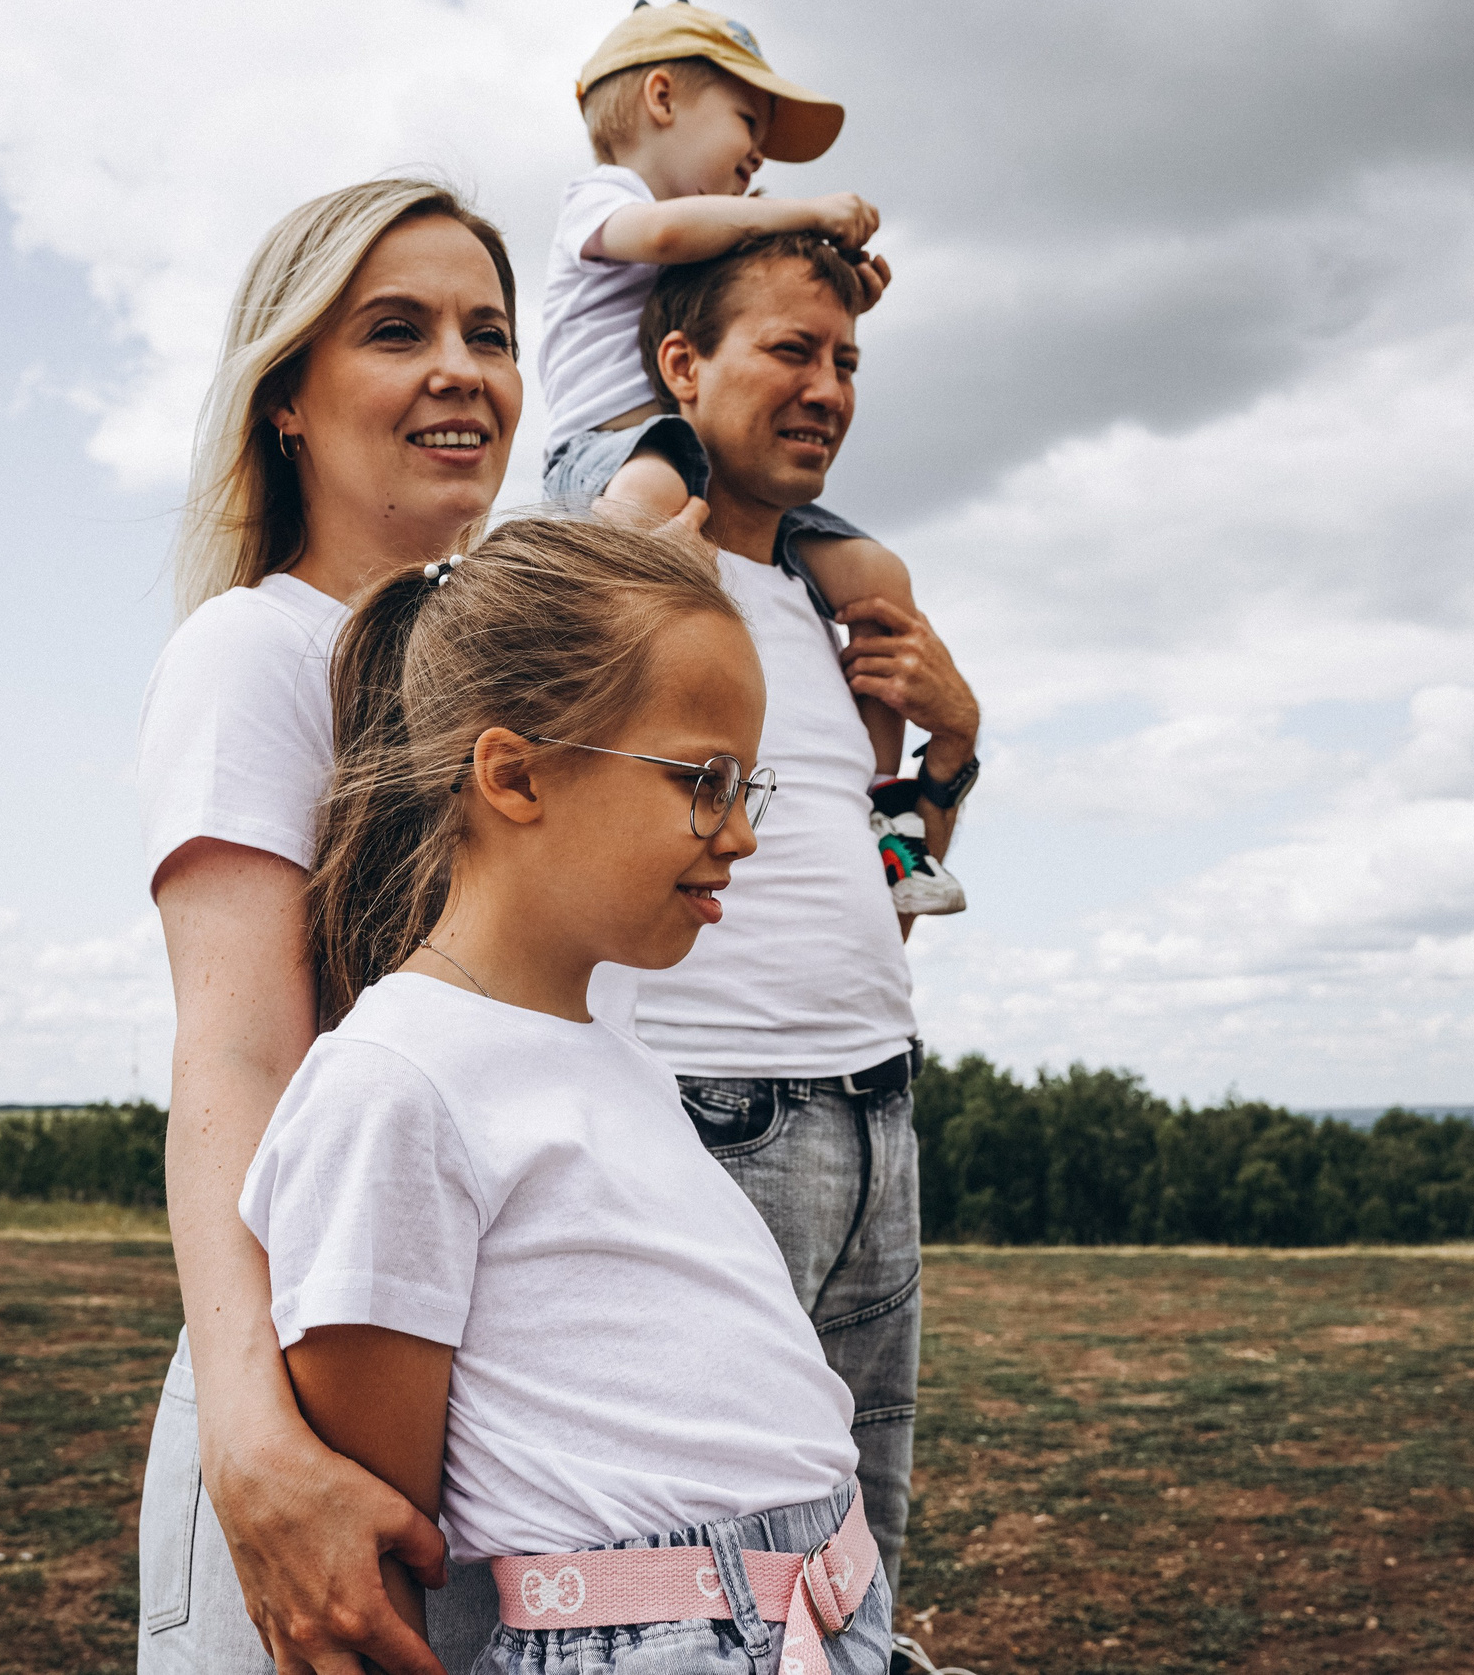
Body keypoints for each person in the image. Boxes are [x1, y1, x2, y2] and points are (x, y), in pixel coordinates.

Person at [241, 512, 892, 1675]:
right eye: (703, 781)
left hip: (820, 1620)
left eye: (748, 786)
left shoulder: (615, 1056)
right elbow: (382, 1554)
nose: (741, 835)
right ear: (514, 773)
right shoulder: (393, 1085)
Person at [135, 176, 545, 1675]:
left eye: (489, 334)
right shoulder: (258, 651)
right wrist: (254, 1445)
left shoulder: (532, 701)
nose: (461, 370)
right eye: (396, 331)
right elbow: (237, 1060)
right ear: (287, 401)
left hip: (514, 1431)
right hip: (317, 1422)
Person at [602, 231, 984, 1608]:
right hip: (712, 1109)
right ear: (683, 367)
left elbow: (885, 902)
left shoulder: (832, 620)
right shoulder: (638, 578)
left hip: (877, 1103)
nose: (828, 389)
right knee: (716, 1564)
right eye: (790, 351)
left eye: (847, 362)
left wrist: (952, 752)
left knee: (859, 1546)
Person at [540, 1, 960, 915]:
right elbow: (669, 240)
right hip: (609, 449)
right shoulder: (607, 201)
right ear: (661, 98)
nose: (760, 155)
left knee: (879, 578)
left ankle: (884, 814)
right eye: (746, 121)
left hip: (685, 454)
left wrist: (829, 288)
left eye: (842, 362)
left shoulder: (709, 236)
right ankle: (581, 665)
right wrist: (808, 211)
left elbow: (739, 291)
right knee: (649, 503)